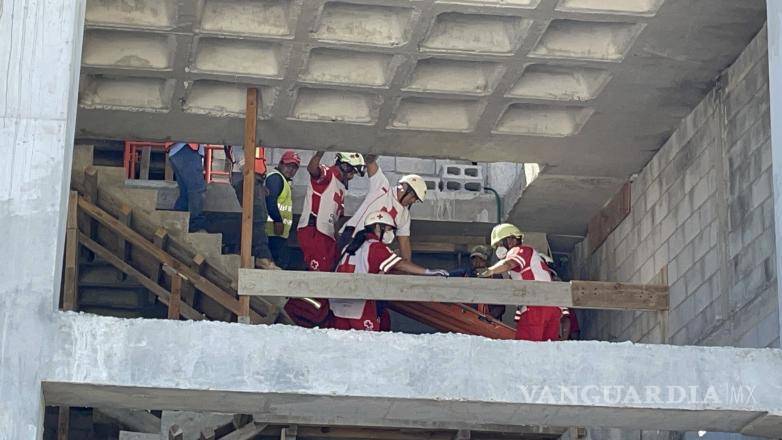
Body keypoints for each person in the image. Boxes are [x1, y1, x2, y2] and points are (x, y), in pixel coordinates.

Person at [326, 211, 449, 331]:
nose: (391, 233)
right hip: (360, 306)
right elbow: (400, 264)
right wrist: (427, 271)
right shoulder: (374, 246)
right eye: (389, 229)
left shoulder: (351, 246)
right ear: (378, 227)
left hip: (338, 305)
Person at [477, 223, 563, 341]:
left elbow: (508, 264)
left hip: (535, 307)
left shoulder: (518, 250)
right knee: (546, 352)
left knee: (526, 349)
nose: (498, 249)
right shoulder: (532, 256)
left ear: (511, 240)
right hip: (552, 308)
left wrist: (489, 271)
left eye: (499, 244)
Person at [338, 155, 427, 262]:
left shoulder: (405, 216)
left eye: (416, 199)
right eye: (413, 196)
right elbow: (369, 160)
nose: (412, 201)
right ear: (404, 187)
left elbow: (404, 243)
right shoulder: (382, 187)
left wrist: (407, 264)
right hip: (351, 237)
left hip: (372, 250)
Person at [296, 151, 365, 272]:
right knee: (319, 273)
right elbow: (312, 169)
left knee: (329, 270)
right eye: (352, 171)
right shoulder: (329, 174)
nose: (352, 176)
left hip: (328, 234)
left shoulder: (341, 187)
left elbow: (337, 217)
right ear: (345, 166)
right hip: (315, 230)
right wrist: (320, 152)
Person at [225, 145, 277, 270]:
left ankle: (241, 251)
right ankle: (262, 255)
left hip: (251, 176)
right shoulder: (243, 127)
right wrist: (249, 174)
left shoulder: (253, 131)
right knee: (258, 216)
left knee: (251, 217)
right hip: (246, 176)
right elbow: (237, 149)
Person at [264, 150, 300, 269]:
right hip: (271, 232)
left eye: (294, 167)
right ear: (280, 164)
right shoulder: (275, 178)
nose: (291, 170)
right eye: (288, 165)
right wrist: (278, 220)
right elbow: (270, 200)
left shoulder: (283, 181)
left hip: (278, 234)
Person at [450, 245, 506, 320]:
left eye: (480, 259)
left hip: (487, 320)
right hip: (467, 318)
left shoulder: (495, 276)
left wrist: (492, 316)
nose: (477, 262)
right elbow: (447, 275)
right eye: (474, 259)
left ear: (486, 261)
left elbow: (501, 303)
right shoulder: (466, 273)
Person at [168, 142, 207, 233]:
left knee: (185, 193)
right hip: (187, 147)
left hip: (178, 149)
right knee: (196, 189)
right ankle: (195, 225)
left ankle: (176, 223)